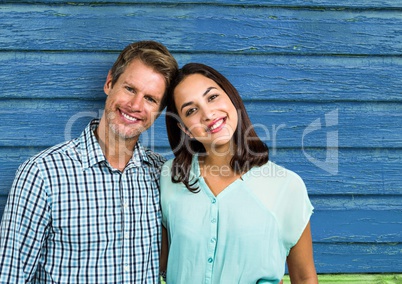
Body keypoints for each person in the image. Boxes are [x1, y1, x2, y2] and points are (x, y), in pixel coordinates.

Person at [0, 40, 178, 283]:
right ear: (109, 83)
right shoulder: (42, 173)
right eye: (129, 89)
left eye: (150, 99)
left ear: (159, 110)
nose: (135, 106)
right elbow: (10, 275)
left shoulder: (162, 174)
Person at [160, 63, 318, 283]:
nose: (208, 114)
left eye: (212, 97)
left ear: (231, 98)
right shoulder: (170, 177)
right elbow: (160, 263)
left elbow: (304, 278)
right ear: (185, 129)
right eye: (191, 110)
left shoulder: (287, 186)